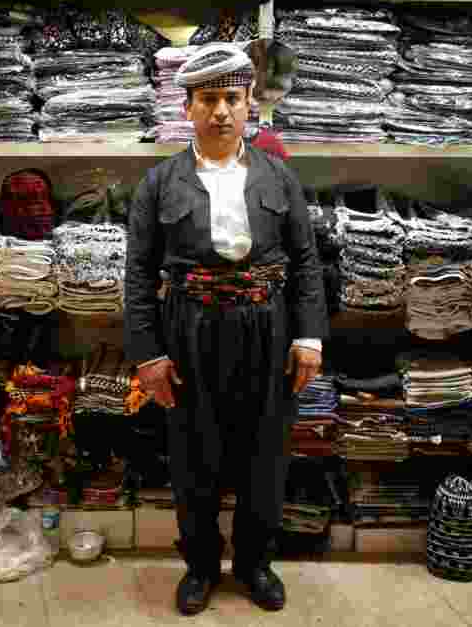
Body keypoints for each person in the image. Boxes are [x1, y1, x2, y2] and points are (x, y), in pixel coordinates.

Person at [124, 44, 327, 615]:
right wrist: (148, 356)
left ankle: (256, 564)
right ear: (187, 107)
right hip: (190, 330)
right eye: (208, 99)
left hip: (268, 328)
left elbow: (306, 261)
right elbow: (138, 275)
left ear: (247, 108)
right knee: (194, 455)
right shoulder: (159, 183)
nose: (220, 111)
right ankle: (201, 567)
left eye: (231, 99)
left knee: (265, 454)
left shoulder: (278, 177)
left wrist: (308, 338)